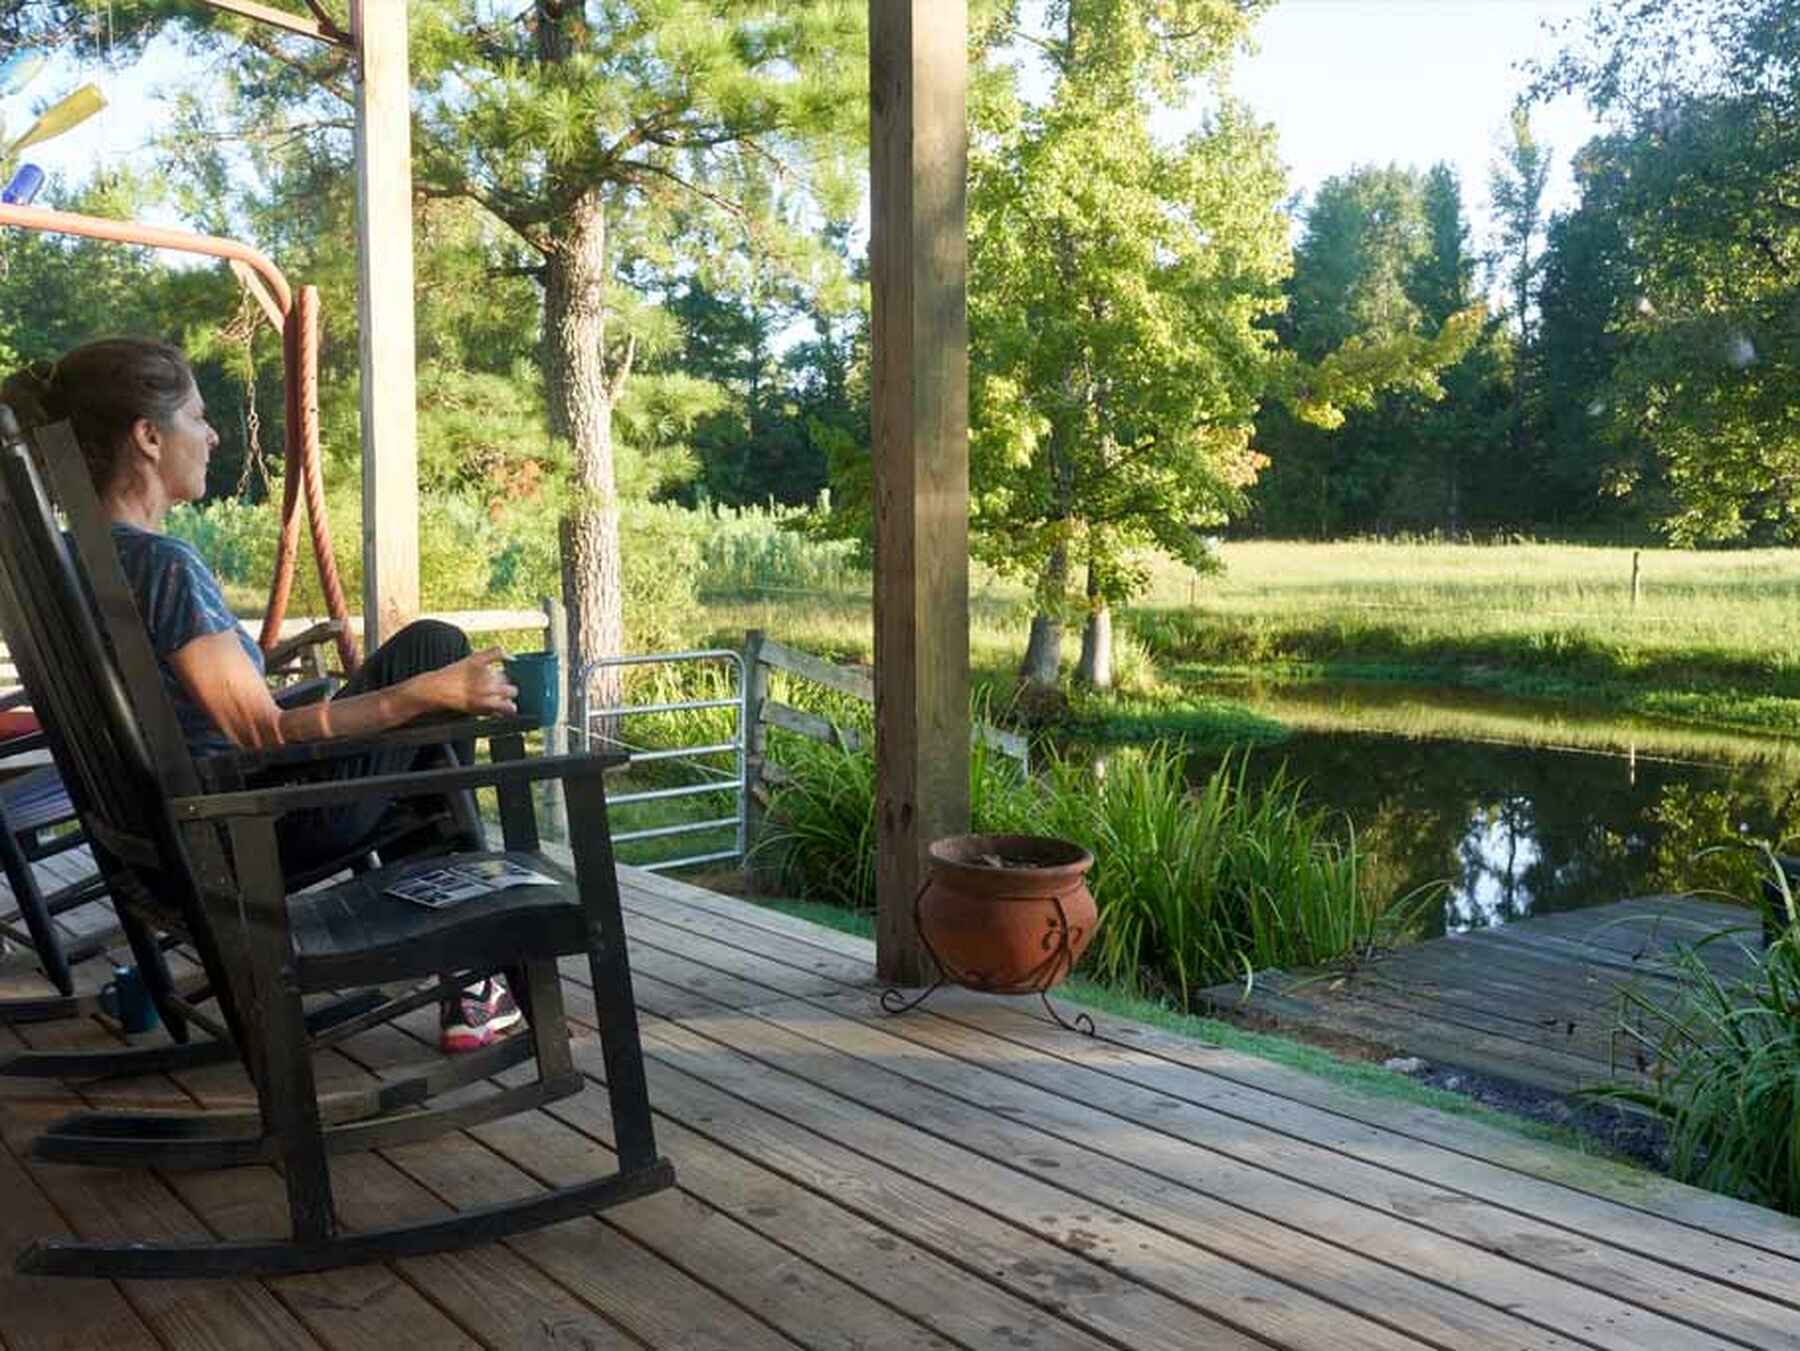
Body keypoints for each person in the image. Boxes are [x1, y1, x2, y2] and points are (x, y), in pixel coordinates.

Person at [2, 338, 523, 1052]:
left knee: (417, 689)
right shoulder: (160, 566)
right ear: (149, 438)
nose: (213, 435)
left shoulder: (69, 562)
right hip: (250, 828)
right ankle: (474, 969)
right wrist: (424, 694)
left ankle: (469, 966)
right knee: (433, 651)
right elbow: (262, 731)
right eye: (199, 415)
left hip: (161, 839)